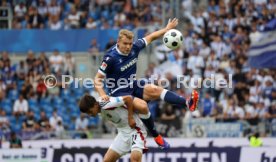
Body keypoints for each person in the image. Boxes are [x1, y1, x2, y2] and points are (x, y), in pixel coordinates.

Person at [94, 18, 199, 149]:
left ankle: (187, 103)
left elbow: (151, 37)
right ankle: (157, 137)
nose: (128, 47)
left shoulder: (135, 47)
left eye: (130, 44)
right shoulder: (110, 58)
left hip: (133, 85)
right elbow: (97, 79)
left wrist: (166, 30)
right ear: (118, 42)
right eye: (125, 43)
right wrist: (103, 94)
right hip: (118, 92)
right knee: (143, 106)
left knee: (156, 89)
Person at [79, 94, 148, 162]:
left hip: (135, 130)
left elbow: (128, 98)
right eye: (87, 113)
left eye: (90, 111)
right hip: (123, 133)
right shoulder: (99, 110)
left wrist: (130, 117)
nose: (90, 115)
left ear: (95, 105)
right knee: (107, 160)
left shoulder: (107, 104)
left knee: (134, 159)